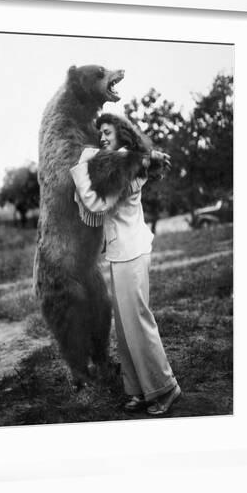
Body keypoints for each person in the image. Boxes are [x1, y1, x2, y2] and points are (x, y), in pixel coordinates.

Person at [69, 113, 181, 415]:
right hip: (122, 252)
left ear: (121, 133)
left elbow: (96, 204)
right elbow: (100, 159)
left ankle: (165, 387)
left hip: (131, 251)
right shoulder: (122, 162)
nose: (102, 137)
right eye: (100, 133)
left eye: (107, 131)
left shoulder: (126, 165)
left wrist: (80, 171)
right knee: (125, 327)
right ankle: (140, 389)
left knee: (139, 324)